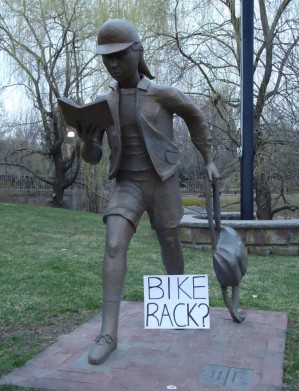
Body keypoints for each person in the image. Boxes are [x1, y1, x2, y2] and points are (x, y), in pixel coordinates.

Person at [77, 19, 220, 365]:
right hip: (127, 184)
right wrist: (86, 138)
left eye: (119, 55)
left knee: (170, 242)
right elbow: (93, 157)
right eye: (106, 58)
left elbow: (196, 115)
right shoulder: (103, 103)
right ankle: (108, 334)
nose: (112, 63)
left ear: (137, 52)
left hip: (162, 181)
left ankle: (180, 307)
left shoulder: (161, 93)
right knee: (113, 244)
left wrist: (209, 158)